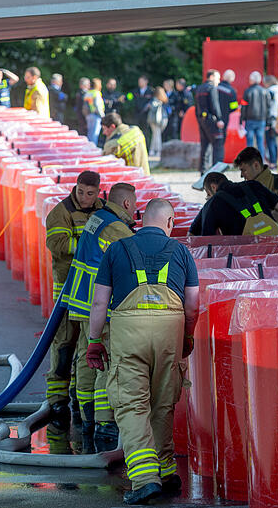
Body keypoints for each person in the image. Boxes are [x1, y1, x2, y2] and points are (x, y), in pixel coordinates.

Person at [87, 197, 199, 505]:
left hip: (129, 335)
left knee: (132, 405)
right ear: (170, 223)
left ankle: (145, 478)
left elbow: (99, 303)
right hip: (170, 334)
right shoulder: (182, 252)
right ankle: (165, 470)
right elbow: (192, 304)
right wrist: (186, 337)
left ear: (141, 220)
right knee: (163, 403)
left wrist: (94, 341)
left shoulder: (117, 250)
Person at [63, 183, 138, 455]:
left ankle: (85, 418)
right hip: (100, 306)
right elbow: (134, 258)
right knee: (104, 362)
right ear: (127, 204)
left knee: (85, 359)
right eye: (136, 204)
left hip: (81, 300)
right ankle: (105, 426)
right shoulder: (116, 227)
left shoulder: (98, 217)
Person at [44, 170, 104, 454]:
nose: (84, 197)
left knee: (86, 349)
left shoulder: (102, 211)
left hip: (93, 295)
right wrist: (87, 245)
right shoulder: (61, 212)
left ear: (98, 192)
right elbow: (56, 245)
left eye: (90, 193)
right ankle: (57, 400)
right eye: (81, 191)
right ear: (75, 187)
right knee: (64, 347)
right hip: (67, 293)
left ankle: (80, 399)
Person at [189, 172, 278, 237]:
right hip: (276, 251)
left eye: (208, 193)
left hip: (245, 264)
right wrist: (262, 225)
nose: (208, 197)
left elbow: (205, 242)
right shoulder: (255, 185)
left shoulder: (213, 203)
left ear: (213, 187)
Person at [234, 146, 278, 245]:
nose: (242, 175)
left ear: (256, 165)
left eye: (244, 170)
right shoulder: (247, 189)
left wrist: (257, 223)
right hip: (258, 247)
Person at [193, 69, 225, 173]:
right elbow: (215, 105)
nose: (219, 81)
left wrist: (199, 119)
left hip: (202, 120)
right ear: (211, 77)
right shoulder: (211, 88)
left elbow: (196, 107)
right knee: (218, 145)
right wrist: (219, 119)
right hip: (212, 120)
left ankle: (203, 171)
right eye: (218, 78)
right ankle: (217, 171)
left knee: (205, 146)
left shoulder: (199, 88)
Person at [241, 71, 269, 157]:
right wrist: (268, 122)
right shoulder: (265, 92)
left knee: (249, 142)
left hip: (250, 120)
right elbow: (269, 107)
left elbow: (243, 106)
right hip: (262, 120)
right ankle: (261, 162)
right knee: (260, 142)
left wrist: (241, 120)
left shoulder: (247, 91)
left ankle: (249, 162)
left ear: (252, 80)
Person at [80, 77, 105, 145]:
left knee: (90, 134)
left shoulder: (88, 93)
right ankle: (93, 150)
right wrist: (102, 116)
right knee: (95, 134)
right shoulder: (96, 93)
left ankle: (89, 148)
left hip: (88, 115)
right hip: (96, 115)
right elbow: (97, 105)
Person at [146, 86, 169, 158]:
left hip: (155, 120)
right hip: (164, 120)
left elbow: (152, 108)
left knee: (156, 135)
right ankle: (152, 151)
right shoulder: (165, 100)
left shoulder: (154, 101)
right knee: (156, 135)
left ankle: (158, 151)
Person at [264, 74, 278, 165]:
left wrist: (267, 121)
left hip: (271, 119)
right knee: (275, 141)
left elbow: (268, 107)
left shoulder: (270, 91)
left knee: (270, 140)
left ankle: (273, 161)